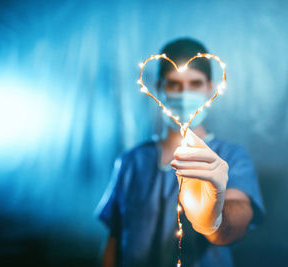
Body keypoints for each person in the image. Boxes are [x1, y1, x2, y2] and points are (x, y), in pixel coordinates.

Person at [96, 38, 265, 267]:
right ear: (159, 88)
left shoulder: (230, 156)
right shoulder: (132, 162)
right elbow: (115, 239)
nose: (184, 94)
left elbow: (237, 223)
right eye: (174, 84)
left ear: (210, 88)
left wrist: (212, 219)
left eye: (195, 84)